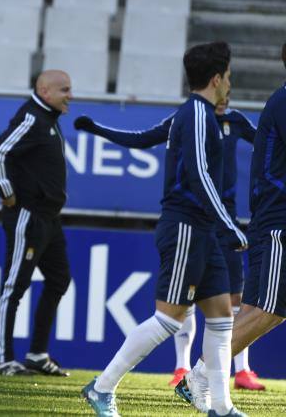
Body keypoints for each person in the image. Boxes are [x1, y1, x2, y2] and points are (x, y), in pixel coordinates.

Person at [82, 41, 248, 417]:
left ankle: (220, 407)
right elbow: (200, 175)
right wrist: (231, 226)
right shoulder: (197, 115)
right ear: (217, 78)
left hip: (203, 230)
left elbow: (153, 146)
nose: (229, 85)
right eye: (228, 77)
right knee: (167, 320)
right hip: (187, 227)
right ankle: (101, 387)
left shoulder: (189, 114)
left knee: (222, 317)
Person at [178, 44, 286, 412]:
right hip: (278, 222)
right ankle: (198, 377)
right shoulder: (284, 101)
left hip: (276, 220)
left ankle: (202, 377)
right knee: (267, 309)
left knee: (267, 307)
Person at [0, 70, 73, 377]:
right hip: (29, 215)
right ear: (45, 91)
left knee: (59, 278)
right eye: (65, 90)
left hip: (50, 217)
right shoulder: (33, 117)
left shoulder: (47, 118)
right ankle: (5, 359)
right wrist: (7, 193)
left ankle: (36, 353)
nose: (70, 96)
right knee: (15, 286)